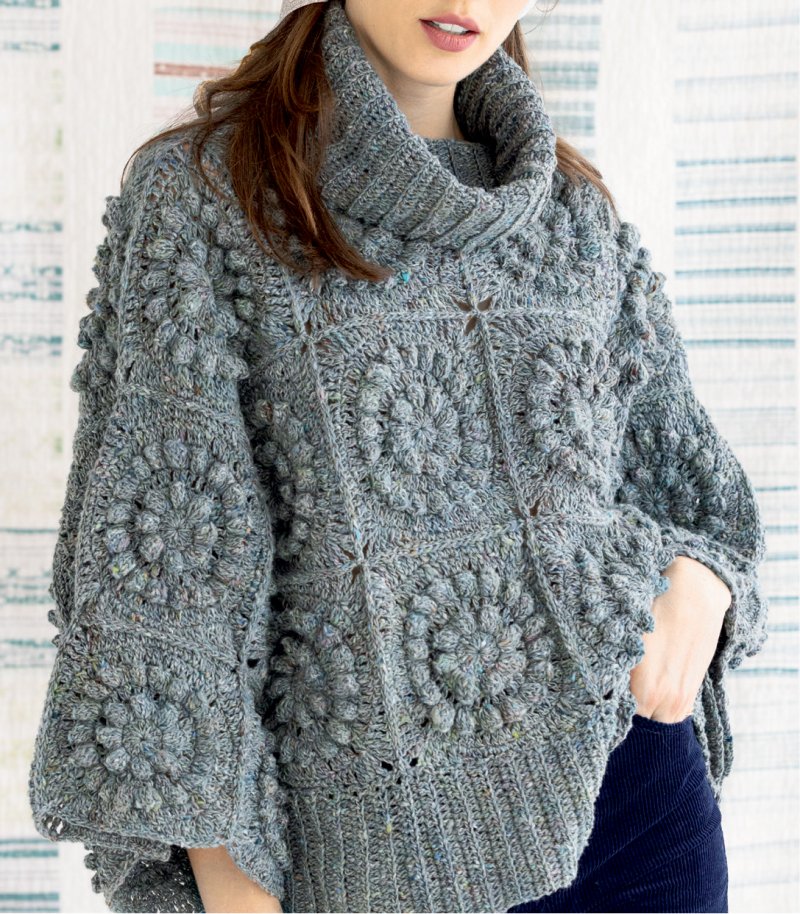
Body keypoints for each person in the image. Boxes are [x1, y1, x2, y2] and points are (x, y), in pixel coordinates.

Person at [27, 0, 769, 912]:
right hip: (368, 861)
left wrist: (701, 581)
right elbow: (166, 587)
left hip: (638, 822)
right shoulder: (206, 198)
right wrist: (234, 892)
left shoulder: (575, 213)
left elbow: (694, 494)